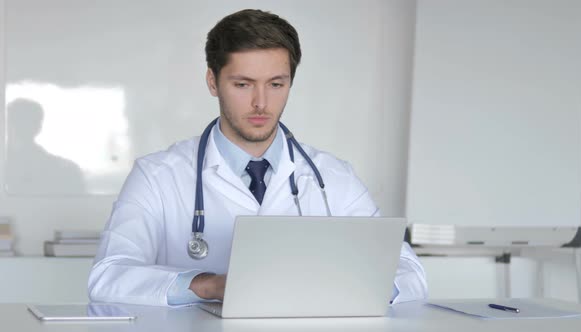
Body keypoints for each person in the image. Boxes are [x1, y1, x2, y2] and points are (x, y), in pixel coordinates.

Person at [88, 8, 427, 306]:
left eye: (276, 84)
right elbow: (108, 276)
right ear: (212, 81)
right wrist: (209, 285)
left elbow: (410, 273)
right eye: (243, 84)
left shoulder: (333, 177)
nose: (261, 103)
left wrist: (349, 287)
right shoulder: (158, 175)